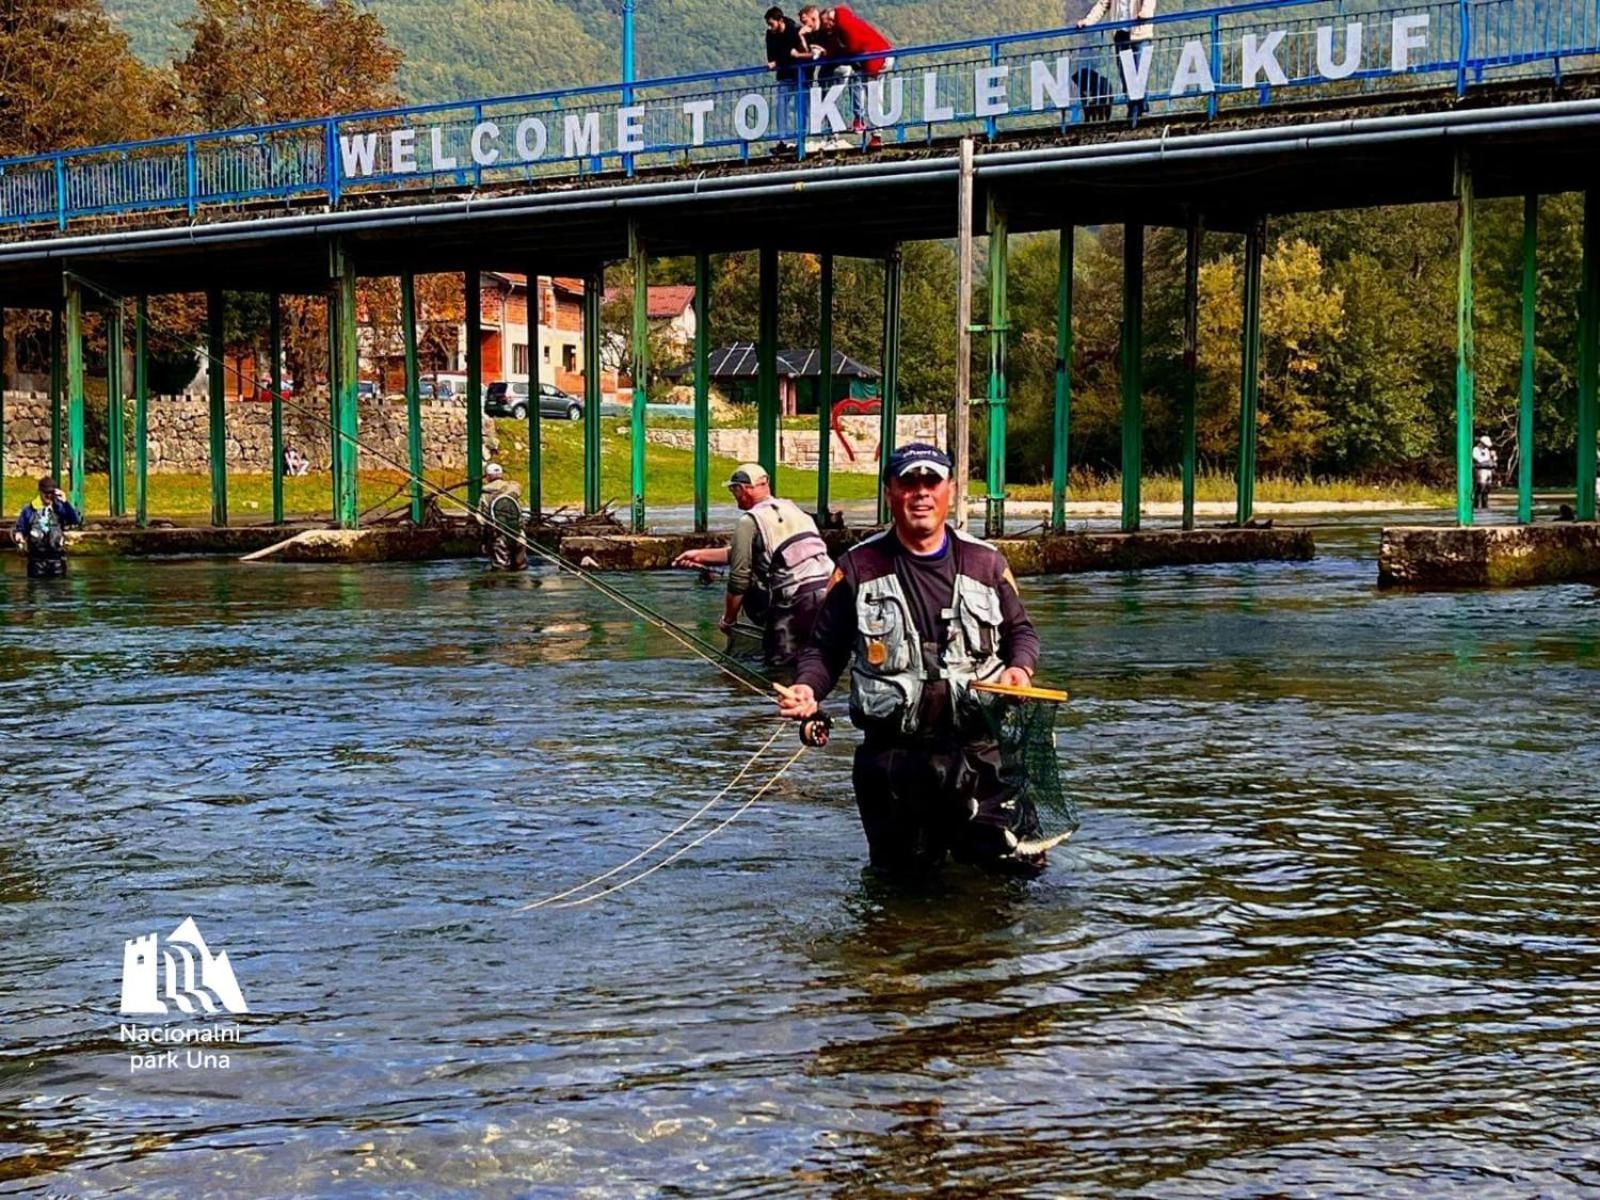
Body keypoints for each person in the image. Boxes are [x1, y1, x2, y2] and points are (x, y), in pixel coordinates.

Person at [777, 443, 1045, 876]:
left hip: (982, 754)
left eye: (931, 482)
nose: (921, 493)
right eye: (908, 482)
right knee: (902, 889)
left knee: (1010, 877)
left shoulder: (987, 562)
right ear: (890, 492)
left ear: (951, 491)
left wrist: (1020, 668)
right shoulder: (857, 567)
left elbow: (1022, 633)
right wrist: (807, 689)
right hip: (894, 763)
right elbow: (825, 650)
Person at [673, 463, 832, 679]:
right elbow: (758, 552)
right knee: (820, 664)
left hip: (794, 603)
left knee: (781, 673)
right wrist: (700, 556)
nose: (734, 496)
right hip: (832, 596)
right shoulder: (793, 510)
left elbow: (739, 579)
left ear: (743, 489)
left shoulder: (749, 522)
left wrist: (728, 620)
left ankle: (769, 710)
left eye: (733, 490)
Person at [808, 6, 894, 150]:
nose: (826, 26)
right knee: (868, 91)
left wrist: (835, 54)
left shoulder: (845, 25)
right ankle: (868, 127)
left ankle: (875, 133)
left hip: (877, 60)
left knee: (874, 96)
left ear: (830, 18)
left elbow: (853, 47)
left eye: (826, 22)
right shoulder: (841, 25)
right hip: (873, 60)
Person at [1077, 0, 1157, 124]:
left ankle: (1142, 109)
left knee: (1139, 73)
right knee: (1126, 76)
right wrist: (1088, 21)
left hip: (1139, 31)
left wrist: (1145, 12)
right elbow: (1103, 4)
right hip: (1121, 34)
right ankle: (1133, 109)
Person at [13, 476, 80, 579]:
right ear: (40, 492)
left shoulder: (60, 509)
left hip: (57, 561)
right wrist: (19, 536)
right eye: (46, 493)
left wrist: (65, 502)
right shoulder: (29, 510)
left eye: (51, 493)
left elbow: (75, 520)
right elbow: (20, 528)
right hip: (36, 562)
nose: (49, 496)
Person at [764, 7, 808, 152]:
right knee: (781, 106)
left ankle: (800, 141)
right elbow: (772, 56)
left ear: (780, 20)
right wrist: (778, 61)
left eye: (772, 24)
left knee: (800, 107)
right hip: (784, 75)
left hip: (799, 75)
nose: (770, 28)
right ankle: (783, 140)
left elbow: (795, 53)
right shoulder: (770, 35)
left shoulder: (793, 30)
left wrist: (779, 62)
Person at [478, 462, 528, 571]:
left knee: (501, 570)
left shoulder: (485, 494)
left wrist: (484, 541)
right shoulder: (513, 489)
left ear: (488, 476)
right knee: (521, 568)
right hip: (519, 534)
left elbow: (482, 520)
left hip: (499, 536)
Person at [1472, 435, 1497, 511]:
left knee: (1487, 487)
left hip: (1488, 471)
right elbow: (1479, 460)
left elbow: (1493, 461)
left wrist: (1493, 457)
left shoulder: (1487, 450)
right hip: (1480, 470)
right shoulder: (1475, 449)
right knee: (1480, 487)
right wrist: (1489, 462)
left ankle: (1485, 504)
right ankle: (1476, 504)